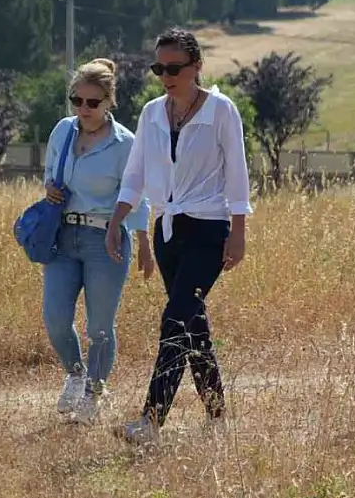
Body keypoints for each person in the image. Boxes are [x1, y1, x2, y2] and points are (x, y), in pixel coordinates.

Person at [106, 27, 253, 446]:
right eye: (159, 68)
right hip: (168, 230)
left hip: (209, 228)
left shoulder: (221, 111)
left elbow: (238, 175)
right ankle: (219, 417)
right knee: (193, 325)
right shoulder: (152, 113)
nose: (166, 76)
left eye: (174, 68)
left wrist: (239, 232)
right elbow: (134, 174)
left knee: (174, 319)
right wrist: (117, 221)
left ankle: (151, 421)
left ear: (196, 67)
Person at [41, 57, 154, 426]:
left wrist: (143, 241)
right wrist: (50, 188)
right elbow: (49, 171)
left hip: (105, 238)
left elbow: (138, 193)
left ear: (109, 102)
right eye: (77, 100)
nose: (83, 109)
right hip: (62, 235)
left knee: (100, 326)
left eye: (92, 102)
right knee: (56, 318)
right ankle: (75, 374)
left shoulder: (126, 144)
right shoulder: (63, 130)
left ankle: (94, 390)